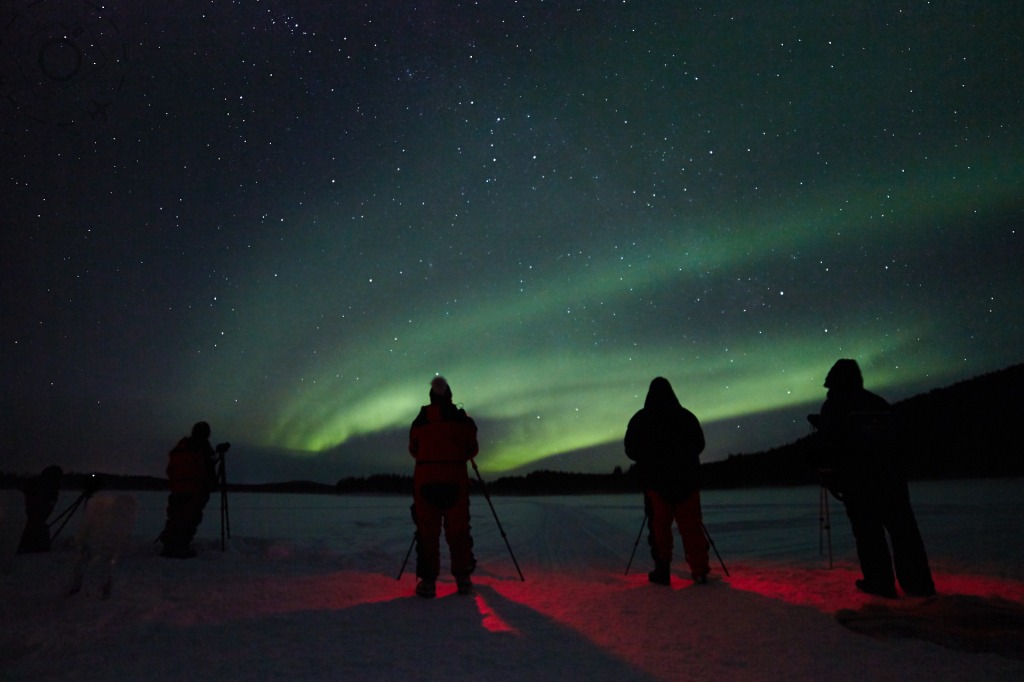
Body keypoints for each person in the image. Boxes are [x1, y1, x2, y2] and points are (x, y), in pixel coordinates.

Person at [808, 359, 936, 598]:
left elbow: (830, 443)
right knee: (904, 533)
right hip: (892, 479)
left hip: (859, 482)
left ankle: (880, 584)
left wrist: (831, 475)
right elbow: (897, 439)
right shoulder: (879, 403)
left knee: (869, 534)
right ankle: (918, 585)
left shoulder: (836, 405)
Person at [625, 377, 709, 585]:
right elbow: (700, 444)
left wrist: (649, 457)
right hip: (687, 481)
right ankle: (699, 571)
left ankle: (662, 570)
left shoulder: (642, 419)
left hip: (655, 484)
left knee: (659, 529)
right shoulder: (686, 417)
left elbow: (630, 449)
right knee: (692, 527)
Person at [408, 376, 478, 598]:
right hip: (455, 482)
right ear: (449, 397)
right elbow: (472, 449)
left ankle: (428, 583)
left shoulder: (420, 421)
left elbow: (414, 450)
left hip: (426, 483)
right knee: (458, 531)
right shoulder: (462, 421)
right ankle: (463, 579)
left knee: (427, 532)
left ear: (431, 398)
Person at [158, 421, 220, 559]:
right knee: (190, 518)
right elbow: (208, 467)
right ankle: (180, 547)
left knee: (175, 517)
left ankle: (169, 545)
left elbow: (170, 470)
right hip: (194, 490)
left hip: (177, 489)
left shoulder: (180, 448)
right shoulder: (202, 447)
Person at [17, 465, 63, 553]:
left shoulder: (46, 487)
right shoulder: (43, 488)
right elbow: (36, 509)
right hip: (32, 520)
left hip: (34, 520)